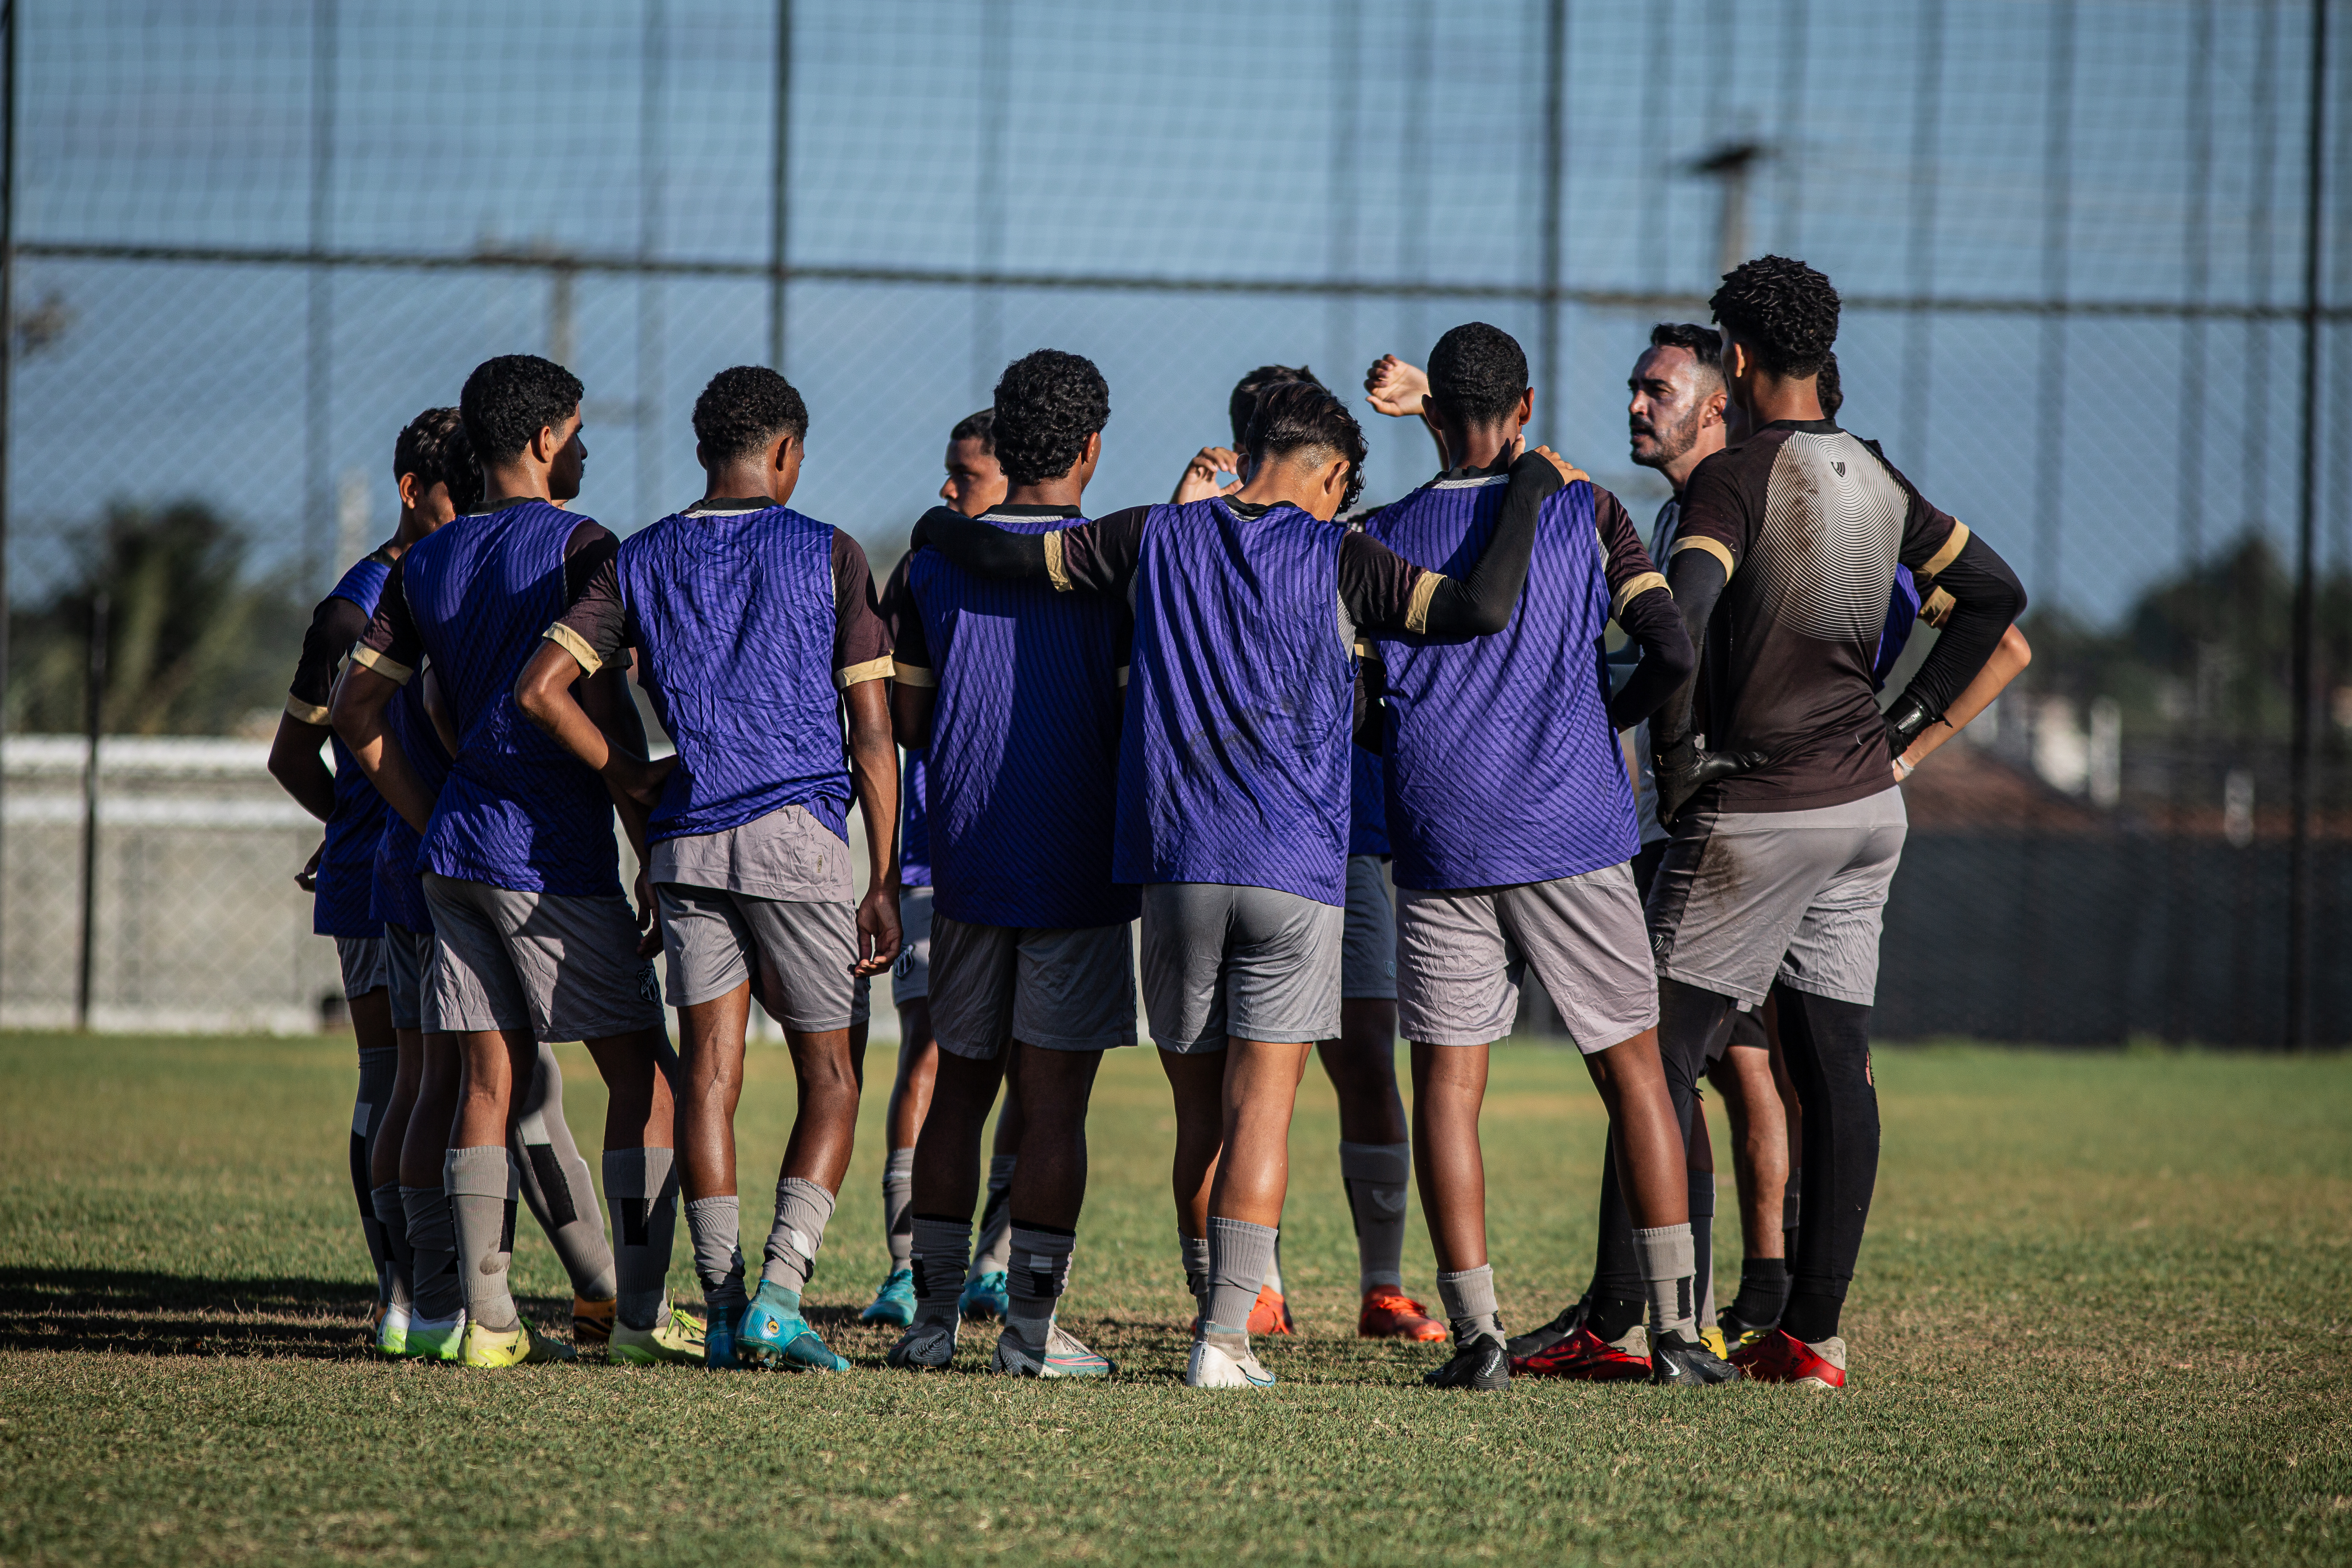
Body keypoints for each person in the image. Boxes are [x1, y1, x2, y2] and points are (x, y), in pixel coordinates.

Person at [909, 379, 1565, 1390]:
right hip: (1296, 868)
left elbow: (1009, 551)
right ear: (1332, 474)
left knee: (1199, 1116)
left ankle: (946, 1318)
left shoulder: (1152, 537)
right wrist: (1523, 482)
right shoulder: (1342, 552)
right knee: (1265, 1107)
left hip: (1175, 865)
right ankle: (1223, 1343)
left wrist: (935, 528)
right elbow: (1481, 607)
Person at [1642, 257, 2026, 1390]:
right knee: (1834, 1062)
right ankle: (1811, 1338)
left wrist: (1677, 756)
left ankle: (1670, 1325)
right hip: (1867, 807)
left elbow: (1681, 625)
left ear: (1741, 361)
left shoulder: (1731, 479)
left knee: (1653, 1051)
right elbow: (1996, 598)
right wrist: (1902, 725)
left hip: (1759, 811)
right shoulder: (1875, 470)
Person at [1357, 324, 1722, 1390]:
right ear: (1524, 410)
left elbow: (1360, 703)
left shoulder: (1378, 534)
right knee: (1637, 1077)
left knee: (1447, 1086)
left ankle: (1476, 1338)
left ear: (1433, 419)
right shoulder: (1588, 510)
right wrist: (1590, 723)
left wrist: (1422, 742)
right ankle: (1674, 1336)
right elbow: (1671, 651)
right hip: (1575, 829)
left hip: (1440, 835)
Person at [517, 365, 901, 1372]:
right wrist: (884, 877)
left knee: (710, 1080)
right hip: (796, 837)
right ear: (784, 454)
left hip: (688, 843)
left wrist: (632, 784)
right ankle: (781, 1290)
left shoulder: (638, 558)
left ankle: (724, 1309)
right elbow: (871, 737)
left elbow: (542, 689)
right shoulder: (828, 553)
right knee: (832, 1076)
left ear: (702, 452)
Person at [333, 354, 690, 1369]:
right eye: (578, 433)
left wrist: (431, 802)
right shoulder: (584, 547)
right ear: (543, 440)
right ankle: (638, 1317)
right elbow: (599, 703)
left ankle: (482, 1322)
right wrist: (642, 830)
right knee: (645, 1079)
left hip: (451, 855)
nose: (585, 449)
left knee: (485, 1078)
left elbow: (365, 715)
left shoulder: (427, 562)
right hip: (548, 850)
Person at [1171, 365, 1442, 1345]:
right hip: (1232, 840)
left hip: (1346, 833)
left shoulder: (1348, 544)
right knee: (1236, 1082)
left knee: (1363, 1054)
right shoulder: (1194, 536)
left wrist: (1436, 412)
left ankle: (1383, 1283)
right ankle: (1253, 1290)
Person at [880, 351, 1135, 1379]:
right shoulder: (1115, 565)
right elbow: (1133, 715)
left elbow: (902, 716)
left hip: (969, 859)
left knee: (958, 1094)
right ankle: (1028, 1337)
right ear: (1089, 449)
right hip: (1079, 867)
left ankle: (932, 1327)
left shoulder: (932, 561)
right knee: (1055, 1108)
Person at [860, 408, 1026, 1332]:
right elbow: (884, 716)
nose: (947, 489)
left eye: (964, 474)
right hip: (934, 856)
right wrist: (883, 868)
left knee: (1027, 1070)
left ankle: (993, 1266)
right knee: (930, 1053)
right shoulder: (925, 568)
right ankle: (906, 1263)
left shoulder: (1069, 562)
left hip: (1035, 855)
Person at [266, 443, 407, 1343]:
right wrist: (348, 823)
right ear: (411, 490)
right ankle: (402, 1288)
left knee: (449, 1079)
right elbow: (290, 754)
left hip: (430, 860)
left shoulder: (454, 575)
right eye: (460, 489)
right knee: (395, 1077)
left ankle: (436, 1292)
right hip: (385, 867)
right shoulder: (352, 611)